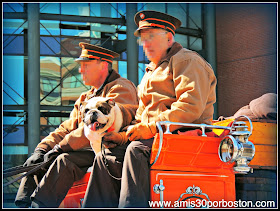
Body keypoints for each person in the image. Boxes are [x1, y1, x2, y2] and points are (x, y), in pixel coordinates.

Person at [82, 10, 217, 208]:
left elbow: (190, 107)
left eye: (151, 37)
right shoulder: (149, 73)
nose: (145, 44)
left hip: (185, 136)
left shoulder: (187, 60)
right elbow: (140, 118)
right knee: (106, 157)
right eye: (143, 39)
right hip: (157, 136)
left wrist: (152, 128)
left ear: (169, 38)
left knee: (136, 150)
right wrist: (123, 136)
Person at [14, 42, 139, 208]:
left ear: (103, 65)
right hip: (89, 151)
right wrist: (43, 148)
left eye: (85, 65)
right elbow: (67, 128)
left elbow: (100, 129)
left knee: (64, 160)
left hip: (110, 150)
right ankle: (23, 203)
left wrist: (60, 148)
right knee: (37, 161)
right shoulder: (85, 97)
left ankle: (39, 205)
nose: (80, 70)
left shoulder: (121, 87)